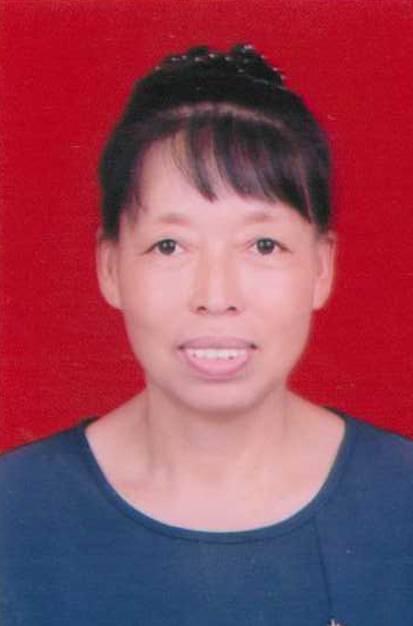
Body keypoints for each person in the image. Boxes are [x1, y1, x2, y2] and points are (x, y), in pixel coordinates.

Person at [1, 43, 412, 626]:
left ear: (322, 268)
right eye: (170, 246)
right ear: (110, 267)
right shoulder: (15, 508)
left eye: (263, 245)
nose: (216, 296)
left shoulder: (402, 499)